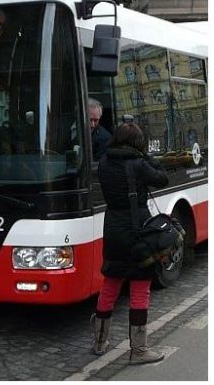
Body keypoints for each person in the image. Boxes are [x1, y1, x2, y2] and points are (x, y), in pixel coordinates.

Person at [91, 122, 169, 365]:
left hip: (113, 231)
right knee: (139, 290)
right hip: (138, 233)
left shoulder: (104, 162)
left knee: (110, 286)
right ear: (137, 143)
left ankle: (100, 342)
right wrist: (149, 158)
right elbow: (162, 179)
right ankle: (139, 350)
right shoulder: (138, 164)